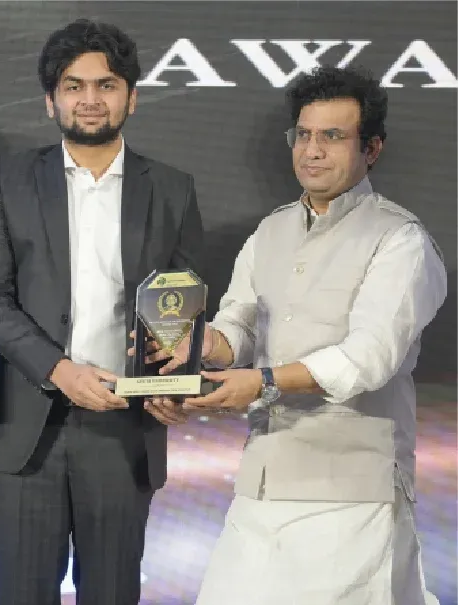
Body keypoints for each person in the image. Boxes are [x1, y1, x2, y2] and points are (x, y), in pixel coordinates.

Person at [145, 66, 445, 604]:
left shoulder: (401, 240)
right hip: (261, 481)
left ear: (372, 148)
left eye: (332, 136)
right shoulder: (271, 229)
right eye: (303, 134)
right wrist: (199, 344)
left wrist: (261, 382)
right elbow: (238, 326)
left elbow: (368, 358)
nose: (312, 151)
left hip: (352, 492)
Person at [0, 18, 205, 605]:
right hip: (26, 424)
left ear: (132, 97)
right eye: (74, 86)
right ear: (51, 101)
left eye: (106, 85)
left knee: (112, 592)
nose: (90, 99)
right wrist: (59, 370)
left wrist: (173, 382)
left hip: (125, 426)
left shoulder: (172, 188)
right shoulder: (11, 180)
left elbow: (183, 305)